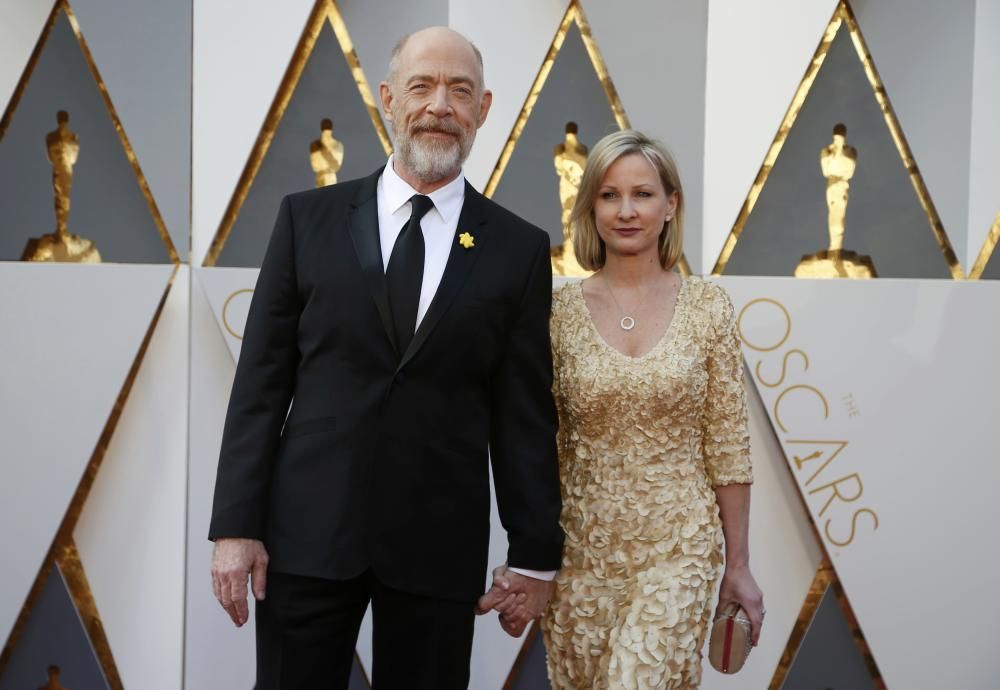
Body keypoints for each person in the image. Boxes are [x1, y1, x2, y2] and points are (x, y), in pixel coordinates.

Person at [208, 27, 563, 689]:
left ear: (483, 111)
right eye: (422, 87)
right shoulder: (305, 221)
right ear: (388, 100)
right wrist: (235, 525)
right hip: (306, 536)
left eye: (460, 91)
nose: (439, 105)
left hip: (437, 542)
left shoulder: (517, 251)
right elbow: (260, 384)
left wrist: (536, 554)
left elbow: (523, 415)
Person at [537, 130, 763, 688]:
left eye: (642, 194)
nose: (627, 210)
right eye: (610, 195)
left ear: (671, 205)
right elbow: (539, 443)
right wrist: (528, 558)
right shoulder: (556, 312)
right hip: (581, 555)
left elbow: (728, 448)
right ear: (592, 206)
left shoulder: (708, 307)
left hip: (680, 548)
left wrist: (738, 566)